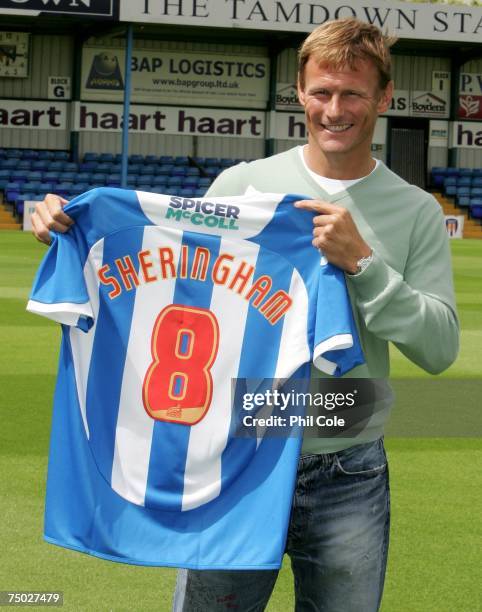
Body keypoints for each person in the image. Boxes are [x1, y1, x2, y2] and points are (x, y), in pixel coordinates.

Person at [31, 18, 459, 612]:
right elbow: (168, 283)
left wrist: (363, 264)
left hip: (347, 465)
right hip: (237, 453)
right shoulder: (241, 185)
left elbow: (440, 349)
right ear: (300, 94)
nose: (335, 109)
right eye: (321, 92)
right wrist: (69, 232)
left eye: (353, 93)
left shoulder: (414, 210)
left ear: (384, 97)